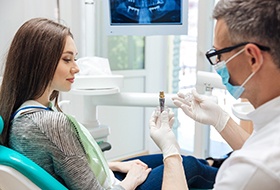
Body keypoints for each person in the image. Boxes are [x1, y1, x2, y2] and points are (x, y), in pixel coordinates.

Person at [0, 17, 219, 190]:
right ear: (39, 61)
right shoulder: (50, 123)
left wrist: (115, 165)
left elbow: (65, 167)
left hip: (100, 178)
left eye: (75, 58)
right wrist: (131, 180)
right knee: (187, 166)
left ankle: (215, 163)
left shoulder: (19, 112)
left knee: (171, 159)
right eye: (67, 59)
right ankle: (234, 173)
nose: (76, 67)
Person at [154, 0, 280, 189]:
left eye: (219, 54)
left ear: (252, 58)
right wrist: (221, 120)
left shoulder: (252, 169)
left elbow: (258, 162)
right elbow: (258, 145)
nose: (218, 64)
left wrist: (170, 152)